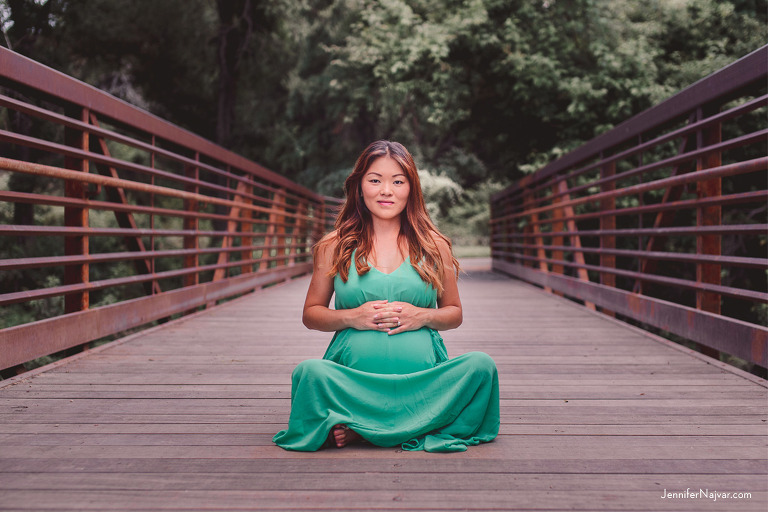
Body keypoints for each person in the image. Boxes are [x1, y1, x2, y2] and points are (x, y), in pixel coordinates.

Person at [272, 140, 499, 453]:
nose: (386, 190)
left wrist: (423, 315)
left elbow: (454, 313)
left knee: (481, 367)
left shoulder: (434, 246)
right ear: (359, 187)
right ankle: (410, 426)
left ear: (411, 188)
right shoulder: (333, 245)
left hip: (423, 385)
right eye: (375, 180)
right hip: (354, 384)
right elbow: (311, 313)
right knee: (309, 374)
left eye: (398, 181)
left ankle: (362, 430)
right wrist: (354, 316)